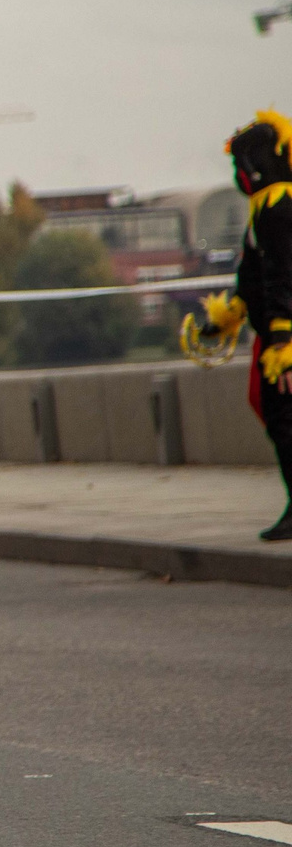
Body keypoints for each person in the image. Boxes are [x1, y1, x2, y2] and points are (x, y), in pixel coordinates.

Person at [181, 110, 292, 539]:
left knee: (285, 420)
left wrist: (283, 339)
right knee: (274, 415)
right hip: (272, 338)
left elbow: (284, 275)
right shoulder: (263, 211)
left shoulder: (279, 209)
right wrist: (224, 322)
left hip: (283, 344)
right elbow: (253, 280)